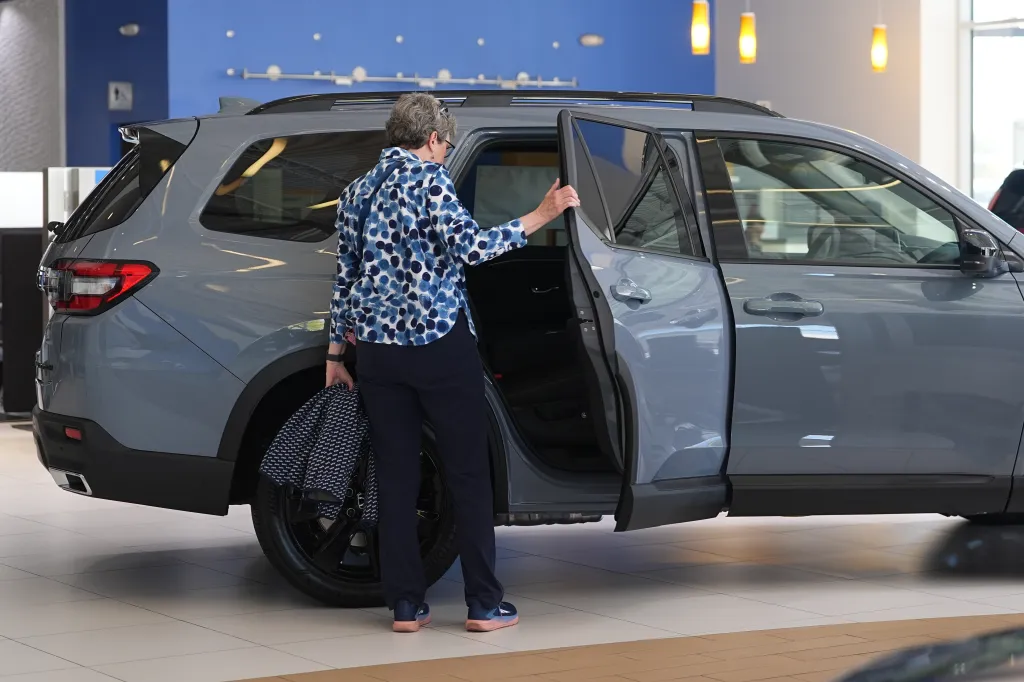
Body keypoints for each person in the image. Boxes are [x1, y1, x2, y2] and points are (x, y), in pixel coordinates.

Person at [326, 93, 579, 633]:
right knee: (466, 473)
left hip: (377, 353)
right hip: (439, 347)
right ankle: (484, 604)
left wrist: (334, 354)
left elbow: (344, 280)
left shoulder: (356, 192)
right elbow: (471, 247)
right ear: (434, 139)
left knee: (394, 476)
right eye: (446, 144)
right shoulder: (429, 181)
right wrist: (543, 213)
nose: (445, 154)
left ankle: (404, 606)